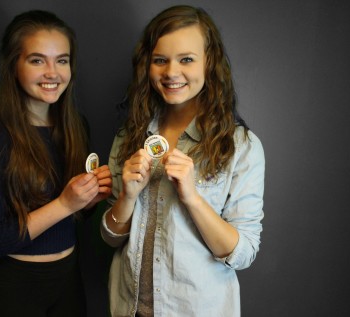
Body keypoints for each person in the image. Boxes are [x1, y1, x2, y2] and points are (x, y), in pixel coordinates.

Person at [100, 5, 265, 317]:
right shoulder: (130, 135)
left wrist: (192, 197)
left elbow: (242, 254)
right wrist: (127, 196)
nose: (171, 73)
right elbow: (110, 237)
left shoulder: (241, 146)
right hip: (128, 308)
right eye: (160, 60)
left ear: (210, 63)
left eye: (186, 59)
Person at [0, 10, 112, 317]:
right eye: (37, 60)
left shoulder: (76, 126)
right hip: (14, 288)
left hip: (68, 281)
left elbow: (74, 218)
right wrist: (66, 203)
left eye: (62, 60)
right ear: (13, 65)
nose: (53, 72)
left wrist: (87, 203)